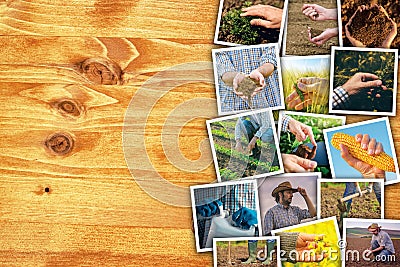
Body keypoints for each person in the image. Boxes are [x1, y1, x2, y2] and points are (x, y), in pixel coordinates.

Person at [215, 46, 281, 113]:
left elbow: (271, 56)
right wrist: (236, 77)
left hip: (271, 101)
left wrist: (261, 72)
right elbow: (222, 67)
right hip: (233, 106)